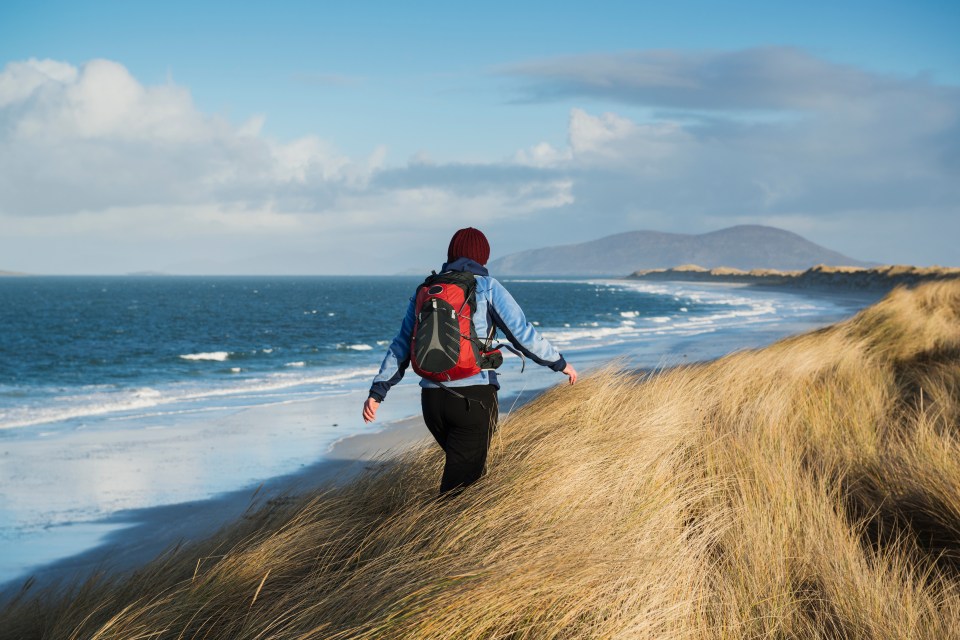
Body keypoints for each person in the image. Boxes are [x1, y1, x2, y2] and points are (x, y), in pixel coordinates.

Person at [362, 227, 577, 494]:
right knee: (459, 491)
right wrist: (558, 362)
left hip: (432, 402)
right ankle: (436, 534)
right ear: (482, 257)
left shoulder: (427, 289)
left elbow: (402, 344)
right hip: (473, 400)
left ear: (451, 253)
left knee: (469, 477)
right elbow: (521, 333)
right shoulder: (486, 286)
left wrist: (378, 391)